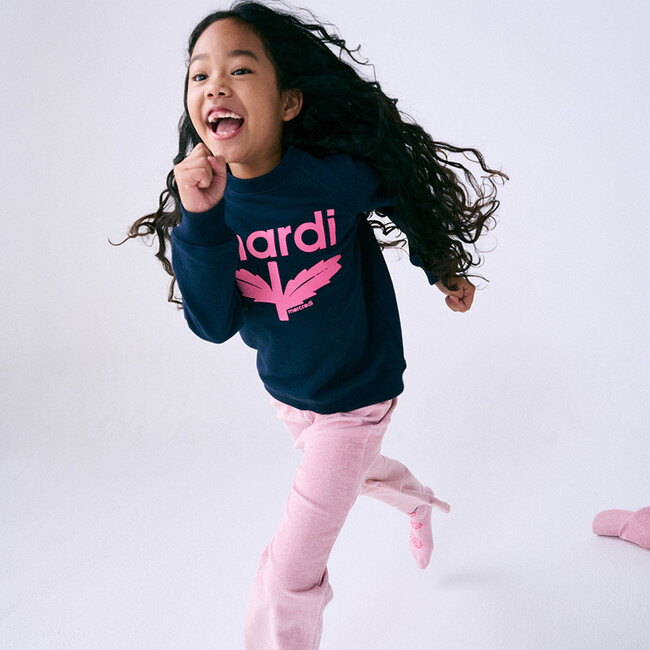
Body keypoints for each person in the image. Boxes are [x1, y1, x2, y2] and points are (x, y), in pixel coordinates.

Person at [120, 2, 507, 647]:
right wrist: (200, 221)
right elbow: (213, 325)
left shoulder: (331, 181)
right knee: (361, 474)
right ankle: (419, 502)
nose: (216, 85)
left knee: (288, 574)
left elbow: (403, 188)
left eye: (240, 69)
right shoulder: (211, 208)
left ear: (289, 102)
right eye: (200, 75)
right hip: (291, 396)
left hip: (356, 394)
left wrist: (439, 265)